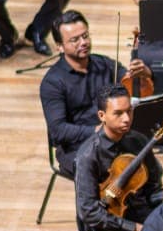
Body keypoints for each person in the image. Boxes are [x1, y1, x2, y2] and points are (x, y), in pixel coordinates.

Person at [73, 86, 163, 231]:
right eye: (118, 113)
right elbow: (89, 212)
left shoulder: (139, 141)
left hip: (141, 216)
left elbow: (154, 183)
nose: (126, 118)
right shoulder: (88, 155)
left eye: (129, 112)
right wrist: (132, 227)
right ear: (102, 116)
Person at [39, 10, 146, 177]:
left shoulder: (104, 64)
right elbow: (58, 131)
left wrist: (143, 73)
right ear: (60, 46)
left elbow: (129, 84)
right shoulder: (52, 82)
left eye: (85, 36)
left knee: (145, 160)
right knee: (107, 171)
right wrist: (97, 130)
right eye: (74, 40)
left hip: (113, 138)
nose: (83, 42)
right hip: (76, 148)